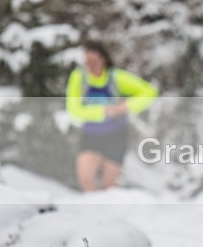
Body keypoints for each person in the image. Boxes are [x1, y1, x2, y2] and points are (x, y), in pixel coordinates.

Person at [66, 41, 158, 191]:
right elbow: (73, 109)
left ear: (104, 60)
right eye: (87, 62)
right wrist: (102, 112)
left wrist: (126, 106)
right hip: (91, 135)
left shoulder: (116, 77)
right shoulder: (78, 78)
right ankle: (93, 211)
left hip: (116, 135)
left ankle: (107, 211)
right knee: (85, 179)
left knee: (108, 186)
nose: (90, 66)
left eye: (93, 61)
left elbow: (149, 92)